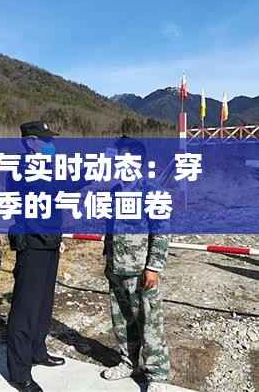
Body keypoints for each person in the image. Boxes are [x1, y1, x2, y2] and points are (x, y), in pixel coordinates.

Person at [102, 136, 170, 392]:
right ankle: (127, 362)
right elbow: (110, 229)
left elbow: (161, 233)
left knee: (149, 322)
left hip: (141, 272)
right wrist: (108, 259)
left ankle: (157, 374)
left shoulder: (152, 191)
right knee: (122, 321)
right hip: (117, 268)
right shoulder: (115, 191)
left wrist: (154, 267)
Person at [6, 121, 66, 392]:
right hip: (32, 244)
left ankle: (37, 351)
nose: (51, 145)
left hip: (50, 243)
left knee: (43, 304)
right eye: (46, 141)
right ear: (31, 142)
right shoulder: (20, 169)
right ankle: (19, 372)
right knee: (26, 309)